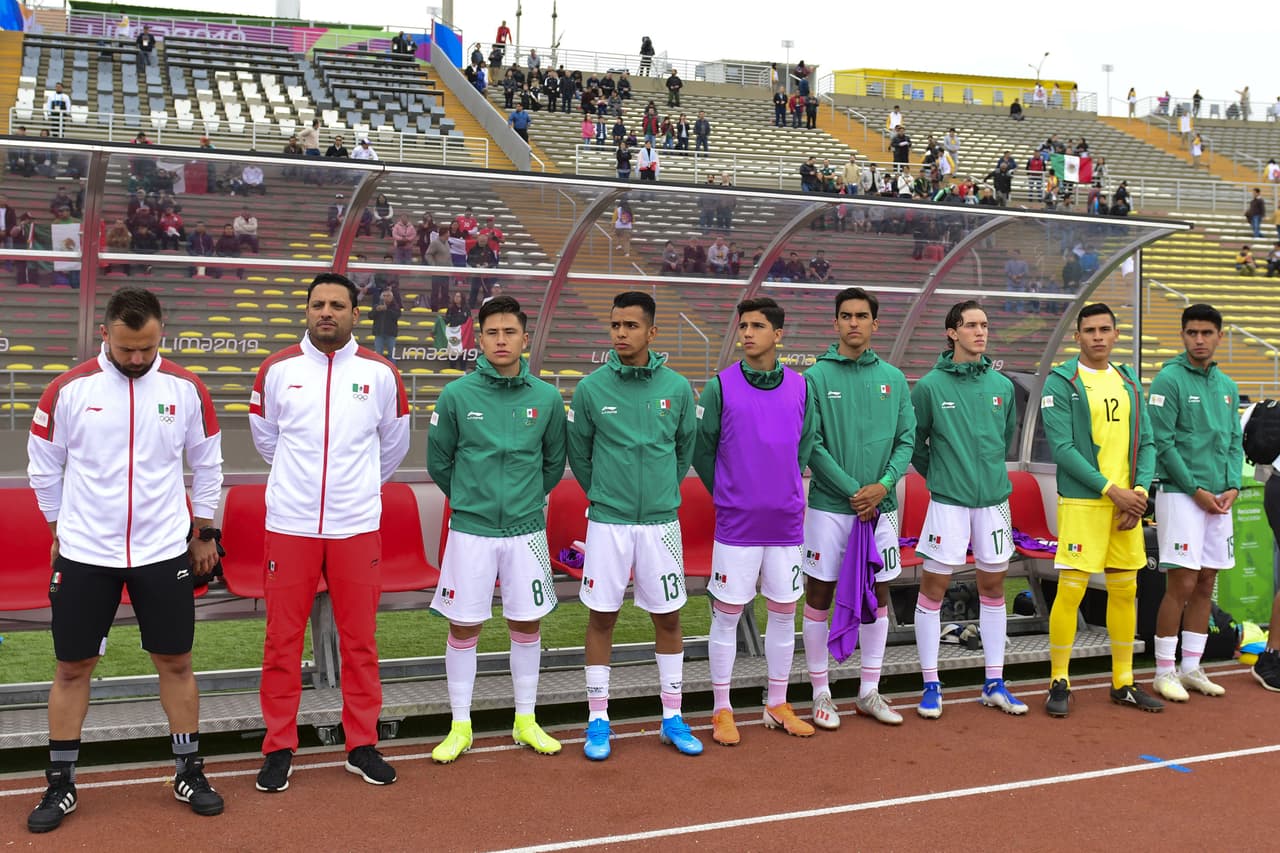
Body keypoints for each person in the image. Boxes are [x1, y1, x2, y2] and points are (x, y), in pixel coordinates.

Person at [25, 287, 225, 832]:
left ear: (162, 332)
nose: (137, 358)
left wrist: (204, 532)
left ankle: (189, 769)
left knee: (176, 662)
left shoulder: (186, 388)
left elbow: (208, 465)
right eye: (126, 348)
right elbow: (43, 468)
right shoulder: (67, 390)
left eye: (147, 347)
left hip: (163, 550)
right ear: (105, 333)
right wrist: (59, 530)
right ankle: (61, 783)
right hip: (87, 552)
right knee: (72, 667)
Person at [249, 273, 411, 792]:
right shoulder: (277, 370)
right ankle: (278, 747)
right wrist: (303, 488)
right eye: (318, 304)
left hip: (356, 526)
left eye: (337, 305)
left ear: (354, 314)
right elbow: (267, 440)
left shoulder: (381, 373)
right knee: (281, 643)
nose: (326, 312)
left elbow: (393, 449)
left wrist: (354, 487)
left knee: (360, 641)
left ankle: (361, 744)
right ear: (307, 311)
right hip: (291, 525)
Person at [426, 295, 568, 762]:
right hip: (471, 530)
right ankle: (460, 725)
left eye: (509, 332)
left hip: (526, 531)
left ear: (525, 339)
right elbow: (439, 461)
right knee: (464, 626)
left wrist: (524, 501)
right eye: (492, 333)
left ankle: (525, 720)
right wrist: (473, 500)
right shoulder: (457, 395)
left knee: (526, 623)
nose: (501, 340)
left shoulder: (546, 398)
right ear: (479, 338)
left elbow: (552, 464)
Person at [568, 291, 701, 760]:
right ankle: (598, 719)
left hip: (662, 523)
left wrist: (661, 492)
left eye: (630, 326)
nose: (621, 334)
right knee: (602, 616)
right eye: (615, 325)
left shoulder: (679, 388)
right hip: (608, 522)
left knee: (668, 617)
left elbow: (684, 451)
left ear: (652, 332)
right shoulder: (590, 389)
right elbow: (579, 455)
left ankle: (672, 716)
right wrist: (605, 493)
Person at [692, 297, 819, 744]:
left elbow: (805, 446)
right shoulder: (720, 387)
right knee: (727, 614)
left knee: (785, 612)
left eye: (757, 326)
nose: (747, 333)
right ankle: (721, 708)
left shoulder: (802, 387)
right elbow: (702, 449)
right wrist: (728, 493)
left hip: (785, 522)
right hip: (737, 524)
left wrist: (784, 484)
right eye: (743, 325)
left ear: (778, 335)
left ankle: (777, 703)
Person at [801, 287, 915, 729]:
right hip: (831, 507)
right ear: (835, 324)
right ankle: (820, 692)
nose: (853, 323)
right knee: (819, 595)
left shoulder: (894, 378)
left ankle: (869, 690)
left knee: (879, 593)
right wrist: (855, 490)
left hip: (880, 509)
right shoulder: (815, 378)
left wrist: (882, 486)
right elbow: (812, 444)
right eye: (845, 316)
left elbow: (906, 440)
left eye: (861, 316)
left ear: (874, 324)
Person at [1041, 303, 1161, 717]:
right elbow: (1063, 449)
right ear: (1077, 336)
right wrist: (1114, 491)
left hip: (1128, 504)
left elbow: (1146, 442)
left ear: (1115, 334)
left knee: (1125, 588)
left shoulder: (1128, 380)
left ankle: (1123, 681)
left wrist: (1140, 491)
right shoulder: (1061, 381)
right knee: (1071, 588)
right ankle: (1059, 678)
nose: (1097, 336)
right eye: (1089, 330)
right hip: (1085, 501)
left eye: (1104, 329)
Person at [910, 301, 1026, 719]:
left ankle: (994, 682)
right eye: (971, 325)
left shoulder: (1003, 387)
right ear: (951, 333)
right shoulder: (928, 388)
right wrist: (943, 478)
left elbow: (1004, 437)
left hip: (995, 502)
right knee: (933, 589)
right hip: (948, 504)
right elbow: (917, 445)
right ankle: (930, 684)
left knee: (994, 588)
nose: (980, 332)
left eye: (985, 325)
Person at [1147, 304, 1241, 702]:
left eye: (1206, 333)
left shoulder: (1228, 385)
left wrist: (1233, 486)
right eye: (1191, 333)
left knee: (1206, 582)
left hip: (1220, 499)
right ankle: (1163, 671)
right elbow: (1162, 444)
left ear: (1220, 336)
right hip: (1182, 496)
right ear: (1182, 336)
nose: (1198, 340)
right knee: (1181, 583)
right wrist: (1196, 491)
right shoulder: (1167, 380)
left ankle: (1191, 667)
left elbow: (1235, 441)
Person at [369, 287, 400, 363]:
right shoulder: (376, 306)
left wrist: (387, 310)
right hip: (379, 333)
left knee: (391, 355)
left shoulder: (395, 306)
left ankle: (392, 371)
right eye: (384, 295)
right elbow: (370, 316)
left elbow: (397, 315)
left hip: (391, 334)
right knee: (378, 355)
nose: (386, 297)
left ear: (392, 297)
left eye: (388, 295)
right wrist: (376, 310)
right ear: (381, 297)